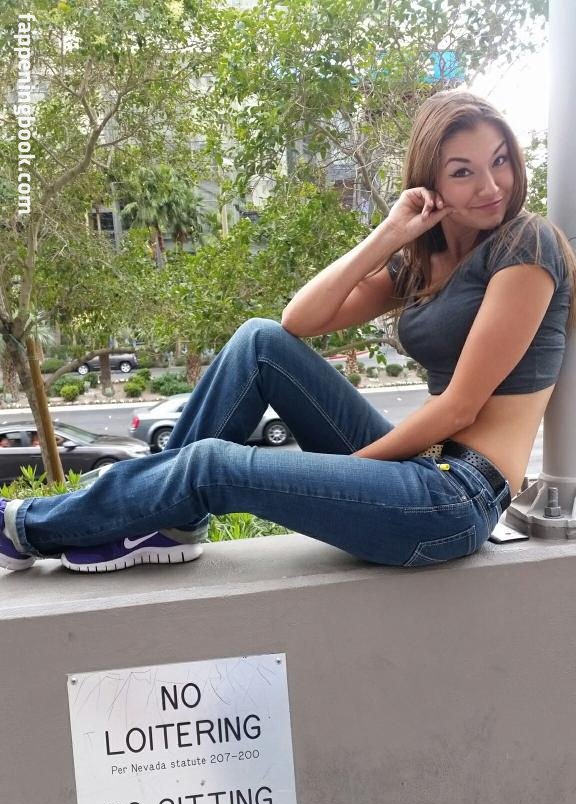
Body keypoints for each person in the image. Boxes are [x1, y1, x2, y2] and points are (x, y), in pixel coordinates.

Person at [1, 91, 575, 574]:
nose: (491, 185)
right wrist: (389, 234)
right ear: (432, 184)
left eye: (500, 161)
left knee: (211, 464)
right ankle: (167, 522)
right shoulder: (420, 262)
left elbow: (459, 407)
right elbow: (298, 320)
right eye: (463, 172)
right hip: (419, 466)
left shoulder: (526, 244)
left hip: (457, 497)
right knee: (259, 343)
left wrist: (350, 472)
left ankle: (28, 528)